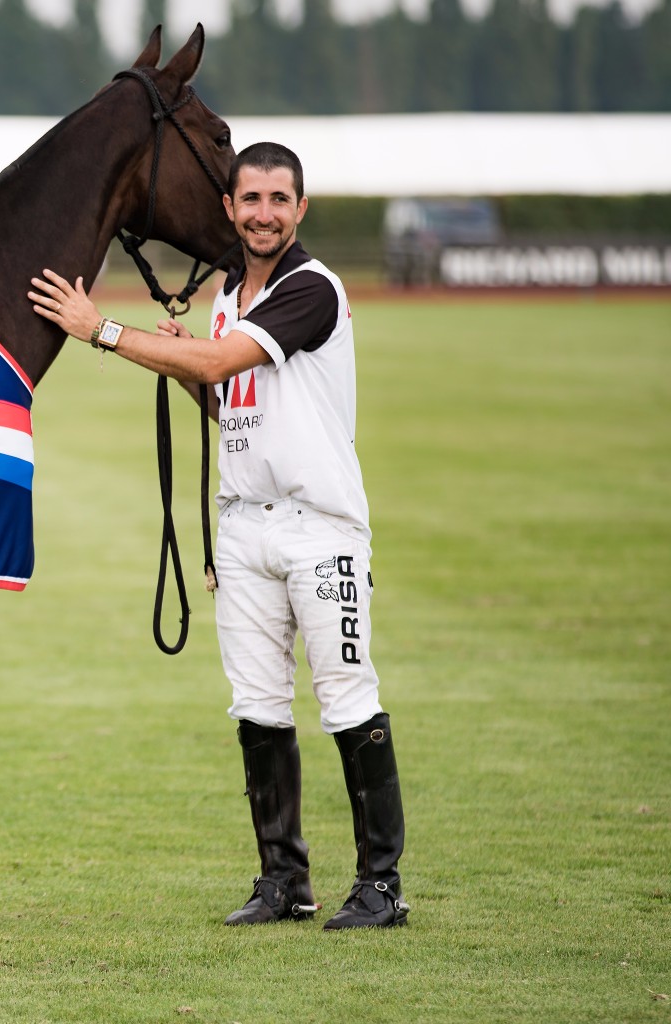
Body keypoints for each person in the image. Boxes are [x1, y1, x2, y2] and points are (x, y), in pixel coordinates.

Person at [27, 142, 408, 930]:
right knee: (258, 705)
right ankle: (283, 882)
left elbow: (222, 358)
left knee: (345, 697)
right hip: (242, 527)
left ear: (300, 208)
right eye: (251, 200)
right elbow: (228, 396)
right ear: (230, 210)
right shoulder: (229, 290)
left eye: (279, 199)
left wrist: (104, 331)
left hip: (319, 529)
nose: (264, 212)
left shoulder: (313, 290)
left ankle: (381, 887)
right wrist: (175, 356)